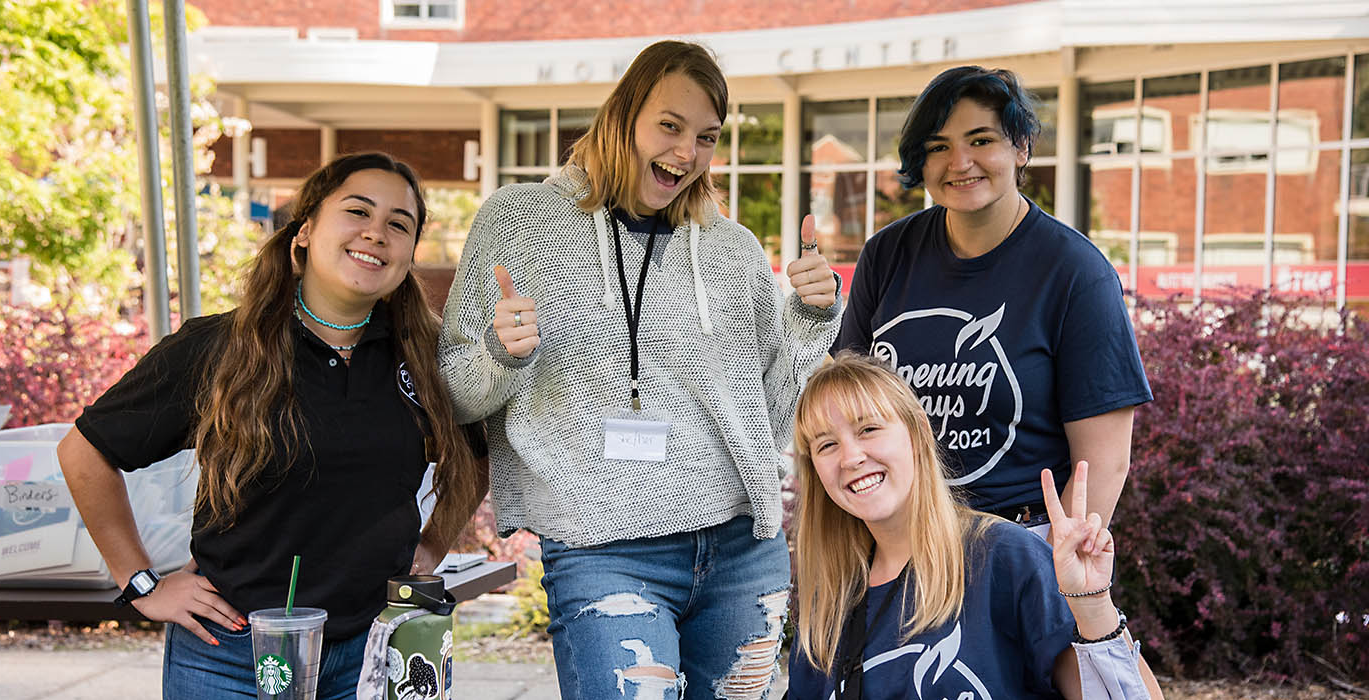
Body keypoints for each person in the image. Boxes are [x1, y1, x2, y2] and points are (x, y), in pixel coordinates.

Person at [438, 40, 841, 699]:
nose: (687, 154)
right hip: (605, 553)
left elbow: (771, 420)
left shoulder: (733, 252)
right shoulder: (521, 223)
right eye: (670, 126)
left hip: (741, 550)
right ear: (622, 115)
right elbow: (451, 392)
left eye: (707, 137)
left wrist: (809, 323)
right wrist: (498, 354)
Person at [57, 152, 488, 699]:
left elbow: (475, 454)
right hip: (232, 654)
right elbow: (84, 452)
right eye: (358, 212)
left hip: (378, 650)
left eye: (398, 225)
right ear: (305, 230)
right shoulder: (220, 347)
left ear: (408, 255)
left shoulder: (429, 359)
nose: (376, 233)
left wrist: (432, 547)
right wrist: (140, 582)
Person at [832, 66, 1151, 533]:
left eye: (981, 141)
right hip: (899, 537)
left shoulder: (1075, 273)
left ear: (1021, 147)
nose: (959, 162)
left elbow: (1103, 466)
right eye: (938, 147)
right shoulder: (887, 253)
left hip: (1020, 538)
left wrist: (1048, 575)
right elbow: (846, 407)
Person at [787, 354, 1163, 699]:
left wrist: (1094, 607)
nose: (851, 457)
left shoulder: (1004, 557)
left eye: (868, 429)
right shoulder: (829, 602)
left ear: (917, 430)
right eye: (826, 445)